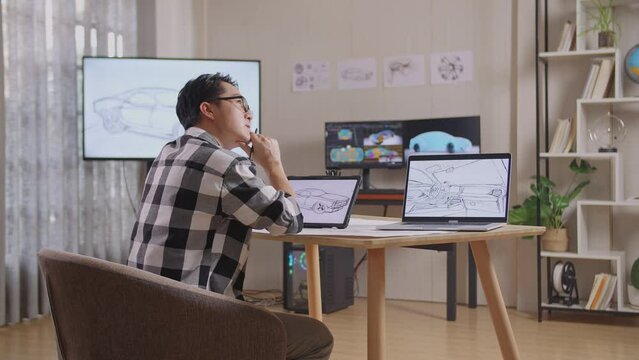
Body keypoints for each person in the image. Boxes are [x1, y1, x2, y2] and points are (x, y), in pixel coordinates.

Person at [128, 73, 333, 360]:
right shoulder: (223, 163)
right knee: (316, 336)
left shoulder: (168, 153)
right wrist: (273, 165)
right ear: (208, 109)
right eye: (240, 103)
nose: (249, 113)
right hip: (195, 320)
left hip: (147, 316)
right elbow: (289, 222)